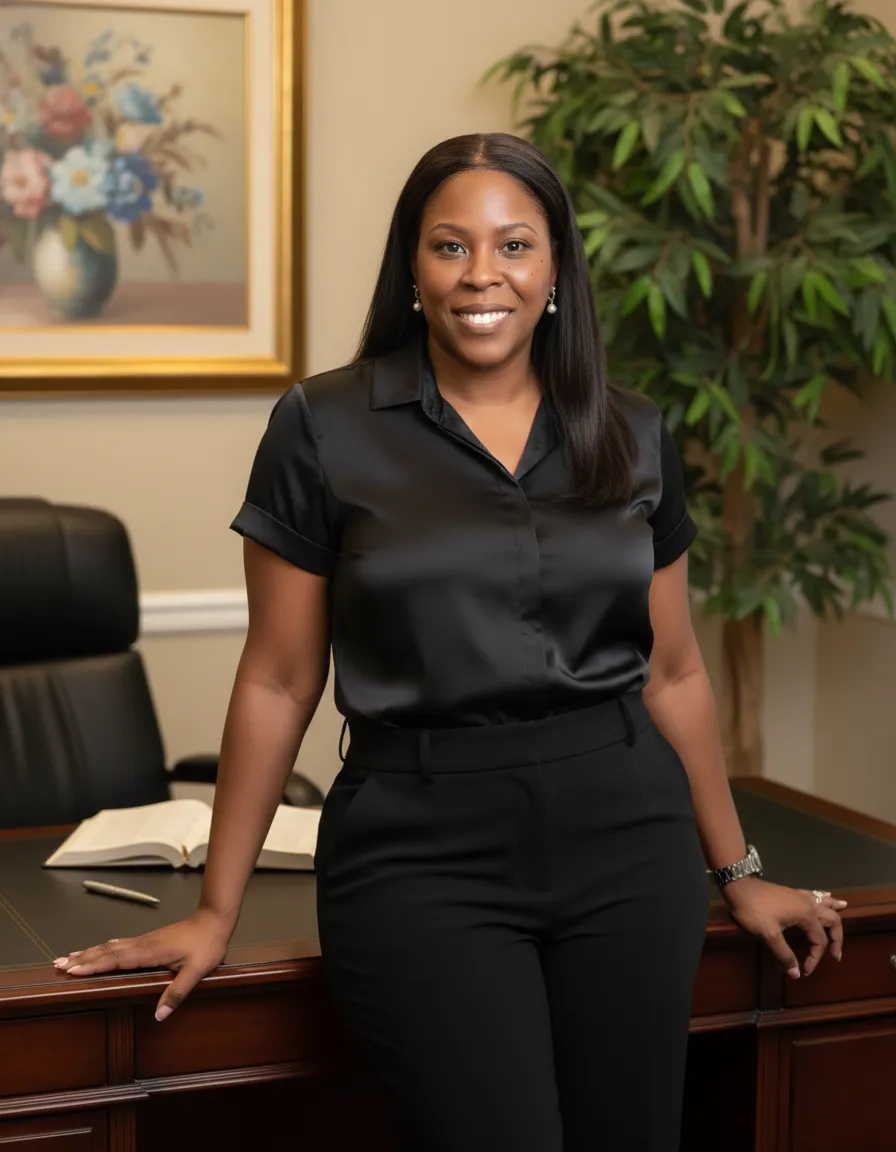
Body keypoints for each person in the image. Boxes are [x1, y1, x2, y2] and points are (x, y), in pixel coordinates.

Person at [56, 132, 846, 1152]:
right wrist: (217, 908)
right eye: (449, 246)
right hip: (417, 853)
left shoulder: (633, 430)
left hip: (625, 839)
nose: (483, 275)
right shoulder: (323, 426)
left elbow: (674, 671)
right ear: (412, 268)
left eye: (514, 245)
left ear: (555, 267)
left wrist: (736, 871)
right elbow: (278, 679)